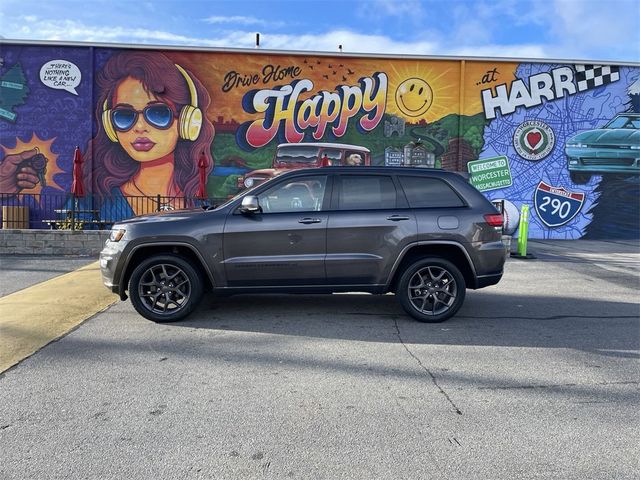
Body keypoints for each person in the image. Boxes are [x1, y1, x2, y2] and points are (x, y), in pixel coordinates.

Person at [90, 51, 215, 218]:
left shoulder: (200, 203)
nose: (140, 127)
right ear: (110, 126)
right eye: (124, 115)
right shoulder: (99, 200)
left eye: (158, 113)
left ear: (187, 121)